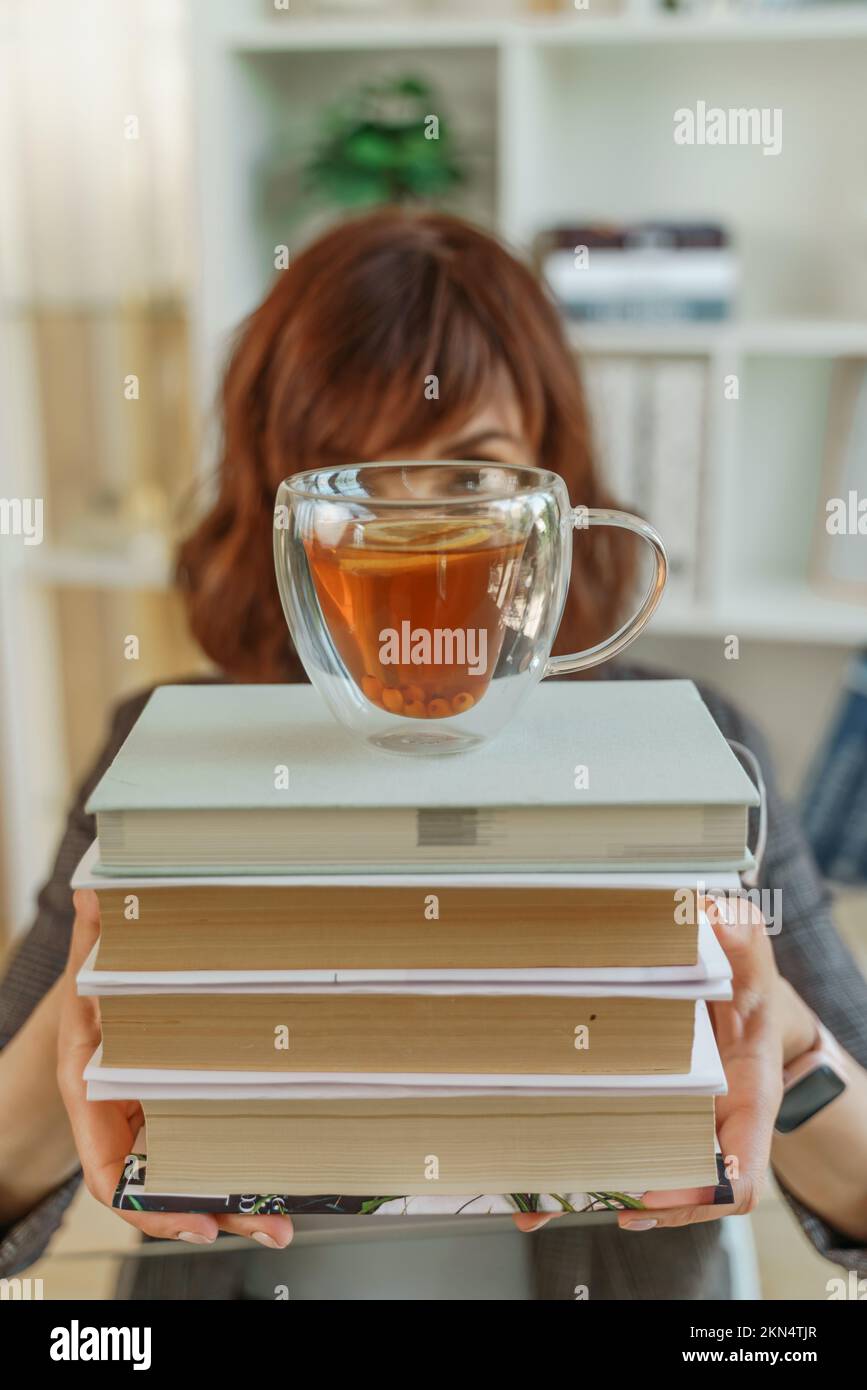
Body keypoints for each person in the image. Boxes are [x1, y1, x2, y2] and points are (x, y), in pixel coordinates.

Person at [1, 209, 866, 1301]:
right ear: (280, 502)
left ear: (553, 490)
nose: (410, 529)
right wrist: (104, 1007)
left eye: (472, 472)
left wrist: (783, 1049)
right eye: (350, 475)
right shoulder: (160, 756)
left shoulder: (700, 753)